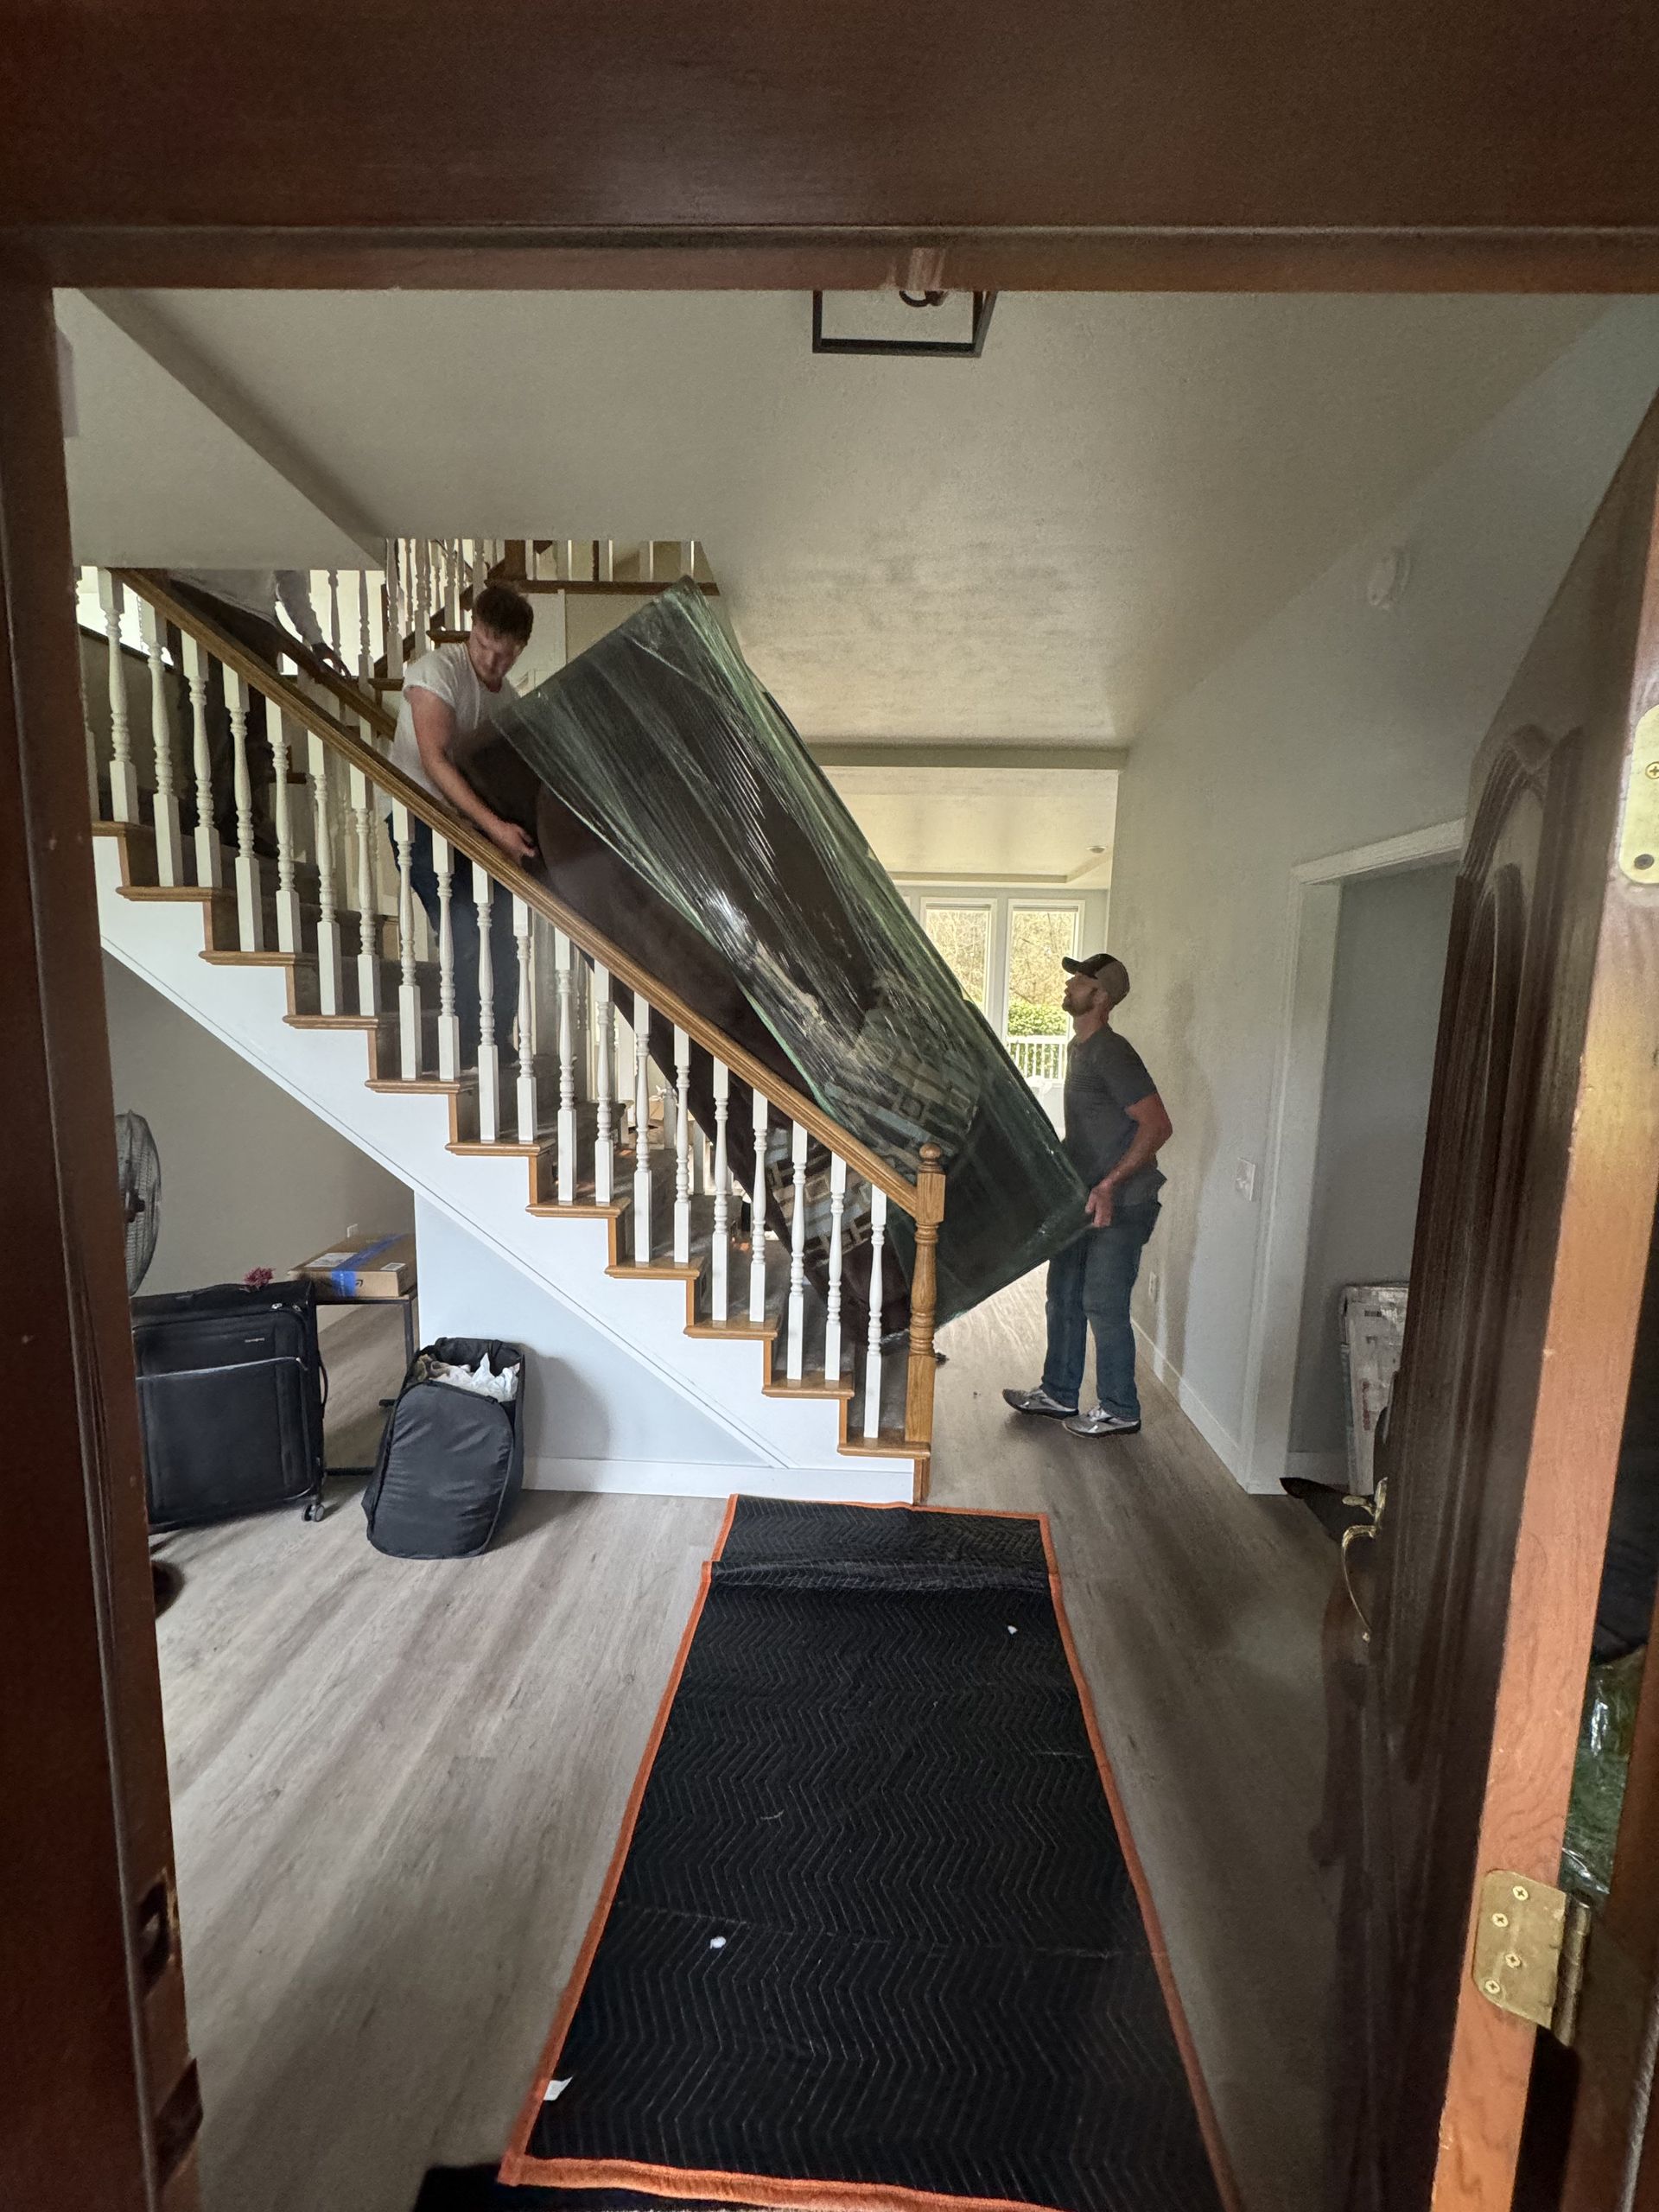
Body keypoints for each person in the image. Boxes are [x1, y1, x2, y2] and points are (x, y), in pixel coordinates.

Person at [1003, 953, 1172, 1438]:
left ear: (1100, 996)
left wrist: (1109, 1184)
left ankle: (1121, 1408)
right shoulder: (1081, 1048)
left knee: (1103, 1303)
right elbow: (1091, 1131)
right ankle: (1058, 1393)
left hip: (1123, 1201)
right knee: (1063, 1296)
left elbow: (1158, 1125)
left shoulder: (1112, 1052)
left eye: (1080, 980)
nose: (1070, 985)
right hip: (1084, 1198)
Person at [388, 582, 536, 1061]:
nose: (491, 663)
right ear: (472, 631)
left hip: (470, 834)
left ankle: (498, 1045)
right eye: (484, 648)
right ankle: (468, 1048)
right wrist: (495, 829)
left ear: (519, 650)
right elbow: (434, 761)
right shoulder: (438, 670)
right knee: (466, 927)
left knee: (506, 934)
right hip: (421, 823)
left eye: (505, 656)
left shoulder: (507, 700)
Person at [165, 569, 346, 855]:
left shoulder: (286, 525)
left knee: (258, 726)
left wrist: (314, 637)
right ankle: (203, 814)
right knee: (208, 710)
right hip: (196, 594)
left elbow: (290, 573)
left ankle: (246, 823)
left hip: (258, 619)